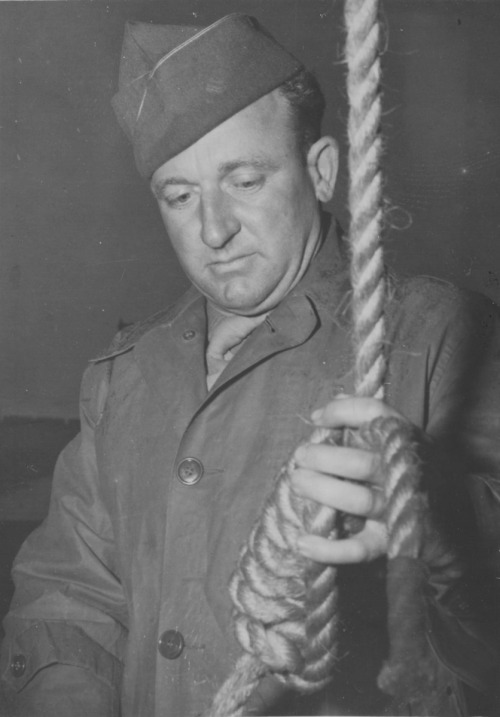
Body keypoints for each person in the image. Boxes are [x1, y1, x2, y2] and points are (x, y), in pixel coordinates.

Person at [1, 13, 500, 717]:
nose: (212, 229)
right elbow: (71, 597)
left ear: (321, 171)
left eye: (244, 180)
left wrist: (446, 514)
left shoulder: (438, 336)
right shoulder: (124, 375)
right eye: (180, 196)